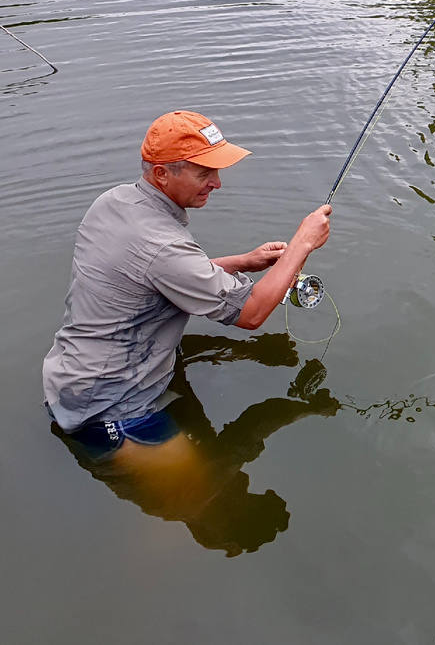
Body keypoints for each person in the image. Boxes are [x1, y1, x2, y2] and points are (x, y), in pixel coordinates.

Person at [43, 110, 332, 459]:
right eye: (204, 172)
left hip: (70, 379)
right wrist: (303, 242)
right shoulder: (162, 245)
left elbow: (152, 277)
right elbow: (251, 313)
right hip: (111, 410)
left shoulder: (115, 202)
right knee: (202, 494)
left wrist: (244, 261)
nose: (217, 183)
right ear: (162, 174)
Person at [54, 334, 339, 556]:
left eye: (251, 494)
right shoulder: (189, 499)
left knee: (173, 386)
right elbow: (256, 424)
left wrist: (255, 353)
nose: (247, 481)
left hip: (94, 408)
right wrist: (308, 407)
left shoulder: (202, 489)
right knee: (176, 398)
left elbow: (258, 423)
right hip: (87, 420)